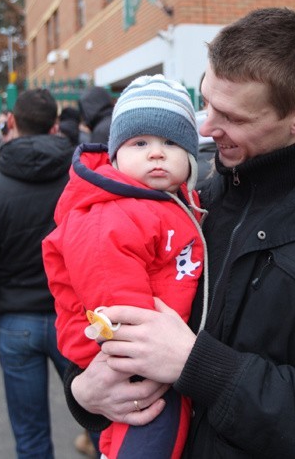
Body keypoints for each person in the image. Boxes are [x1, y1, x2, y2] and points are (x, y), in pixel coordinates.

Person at [64, 7, 295, 457]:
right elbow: (100, 312)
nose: (205, 128)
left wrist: (198, 365)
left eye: (231, 117)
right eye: (206, 101)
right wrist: (82, 392)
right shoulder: (195, 202)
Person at [44, 75, 207, 459]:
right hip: (127, 356)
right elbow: (112, 295)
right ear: (116, 155)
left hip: (152, 353)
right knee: (151, 431)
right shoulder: (110, 213)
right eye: (140, 143)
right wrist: (138, 359)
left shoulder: (172, 202)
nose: (156, 153)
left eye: (171, 142)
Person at [0, 88, 74, 459]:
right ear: (55, 126)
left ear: (10, 123)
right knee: (104, 424)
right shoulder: (79, 181)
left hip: (17, 320)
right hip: (71, 316)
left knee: (30, 436)